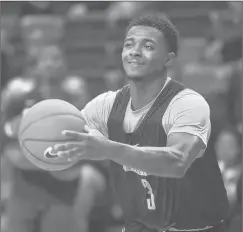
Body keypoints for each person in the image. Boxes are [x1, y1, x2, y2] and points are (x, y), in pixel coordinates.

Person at [53, 15, 229, 232]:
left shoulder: (187, 104)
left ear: (168, 59)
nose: (134, 51)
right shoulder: (105, 105)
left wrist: (109, 148)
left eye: (148, 46)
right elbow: (65, 140)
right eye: (129, 44)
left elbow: (177, 162)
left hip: (195, 228)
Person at [1, 45, 107, 232]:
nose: (52, 64)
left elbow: (93, 146)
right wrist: (50, 161)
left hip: (64, 188)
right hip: (26, 187)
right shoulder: (19, 102)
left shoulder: (80, 103)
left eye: (56, 58)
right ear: (36, 66)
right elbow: (9, 149)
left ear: (66, 65)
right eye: (46, 59)